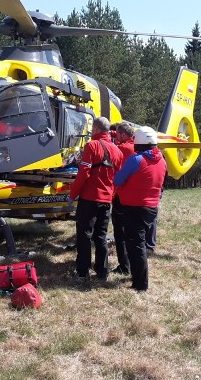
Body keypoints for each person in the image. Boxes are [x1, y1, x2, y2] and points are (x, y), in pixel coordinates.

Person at [67, 116, 123, 282]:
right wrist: (111, 195)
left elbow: (84, 173)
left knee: (84, 235)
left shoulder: (92, 146)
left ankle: (83, 272)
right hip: (106, 200)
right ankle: (102, 272)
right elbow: (118, 179)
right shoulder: (117, 151)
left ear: (97, 130)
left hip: (89, 198)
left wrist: (72, 194)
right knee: (101, 236)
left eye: (92, 129)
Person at [114, 126, 167, 292]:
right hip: (151, 208)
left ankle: (140, 284)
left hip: (134, 207)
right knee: (140, 244)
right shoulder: (162, 161)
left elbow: (118, 180)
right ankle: (137, 278)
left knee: (136, 246)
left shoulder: (136, 160)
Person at [109, 122, 136, 275]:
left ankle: (124, 266)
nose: (116, 137)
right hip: (133, 196)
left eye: (118, 135)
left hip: (121, 195)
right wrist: (112, 133)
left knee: (120, 233)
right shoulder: (134, 146)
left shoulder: (123, 149)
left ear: (124, 135)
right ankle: (131, 264)